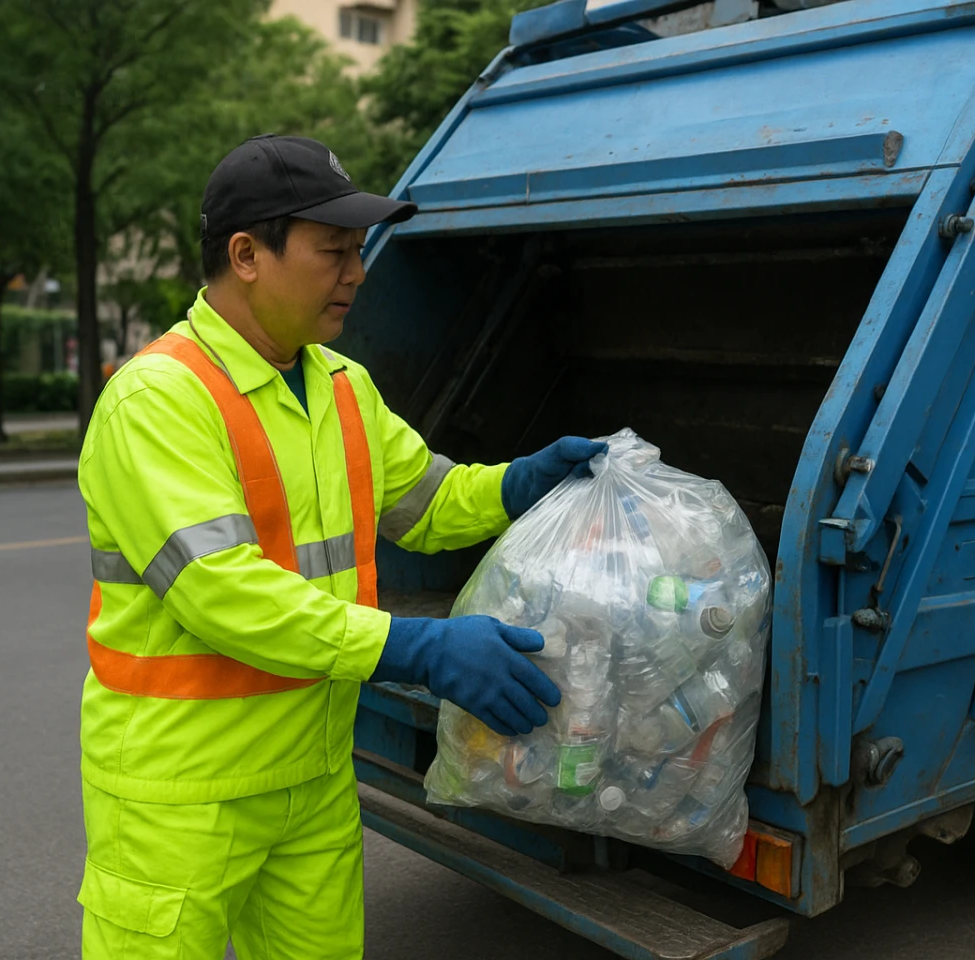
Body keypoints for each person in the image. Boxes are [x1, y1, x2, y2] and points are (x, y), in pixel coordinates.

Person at [75, 134, 605, 959]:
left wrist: (519, 482)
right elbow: (222, 593)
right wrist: (415, 645)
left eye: (358, 251)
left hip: (315, 780)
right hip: (181, 795)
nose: (357, 272)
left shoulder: (339, 387)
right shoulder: (158, 399)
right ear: (246, 255)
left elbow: (428, 503)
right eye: (333, 252)